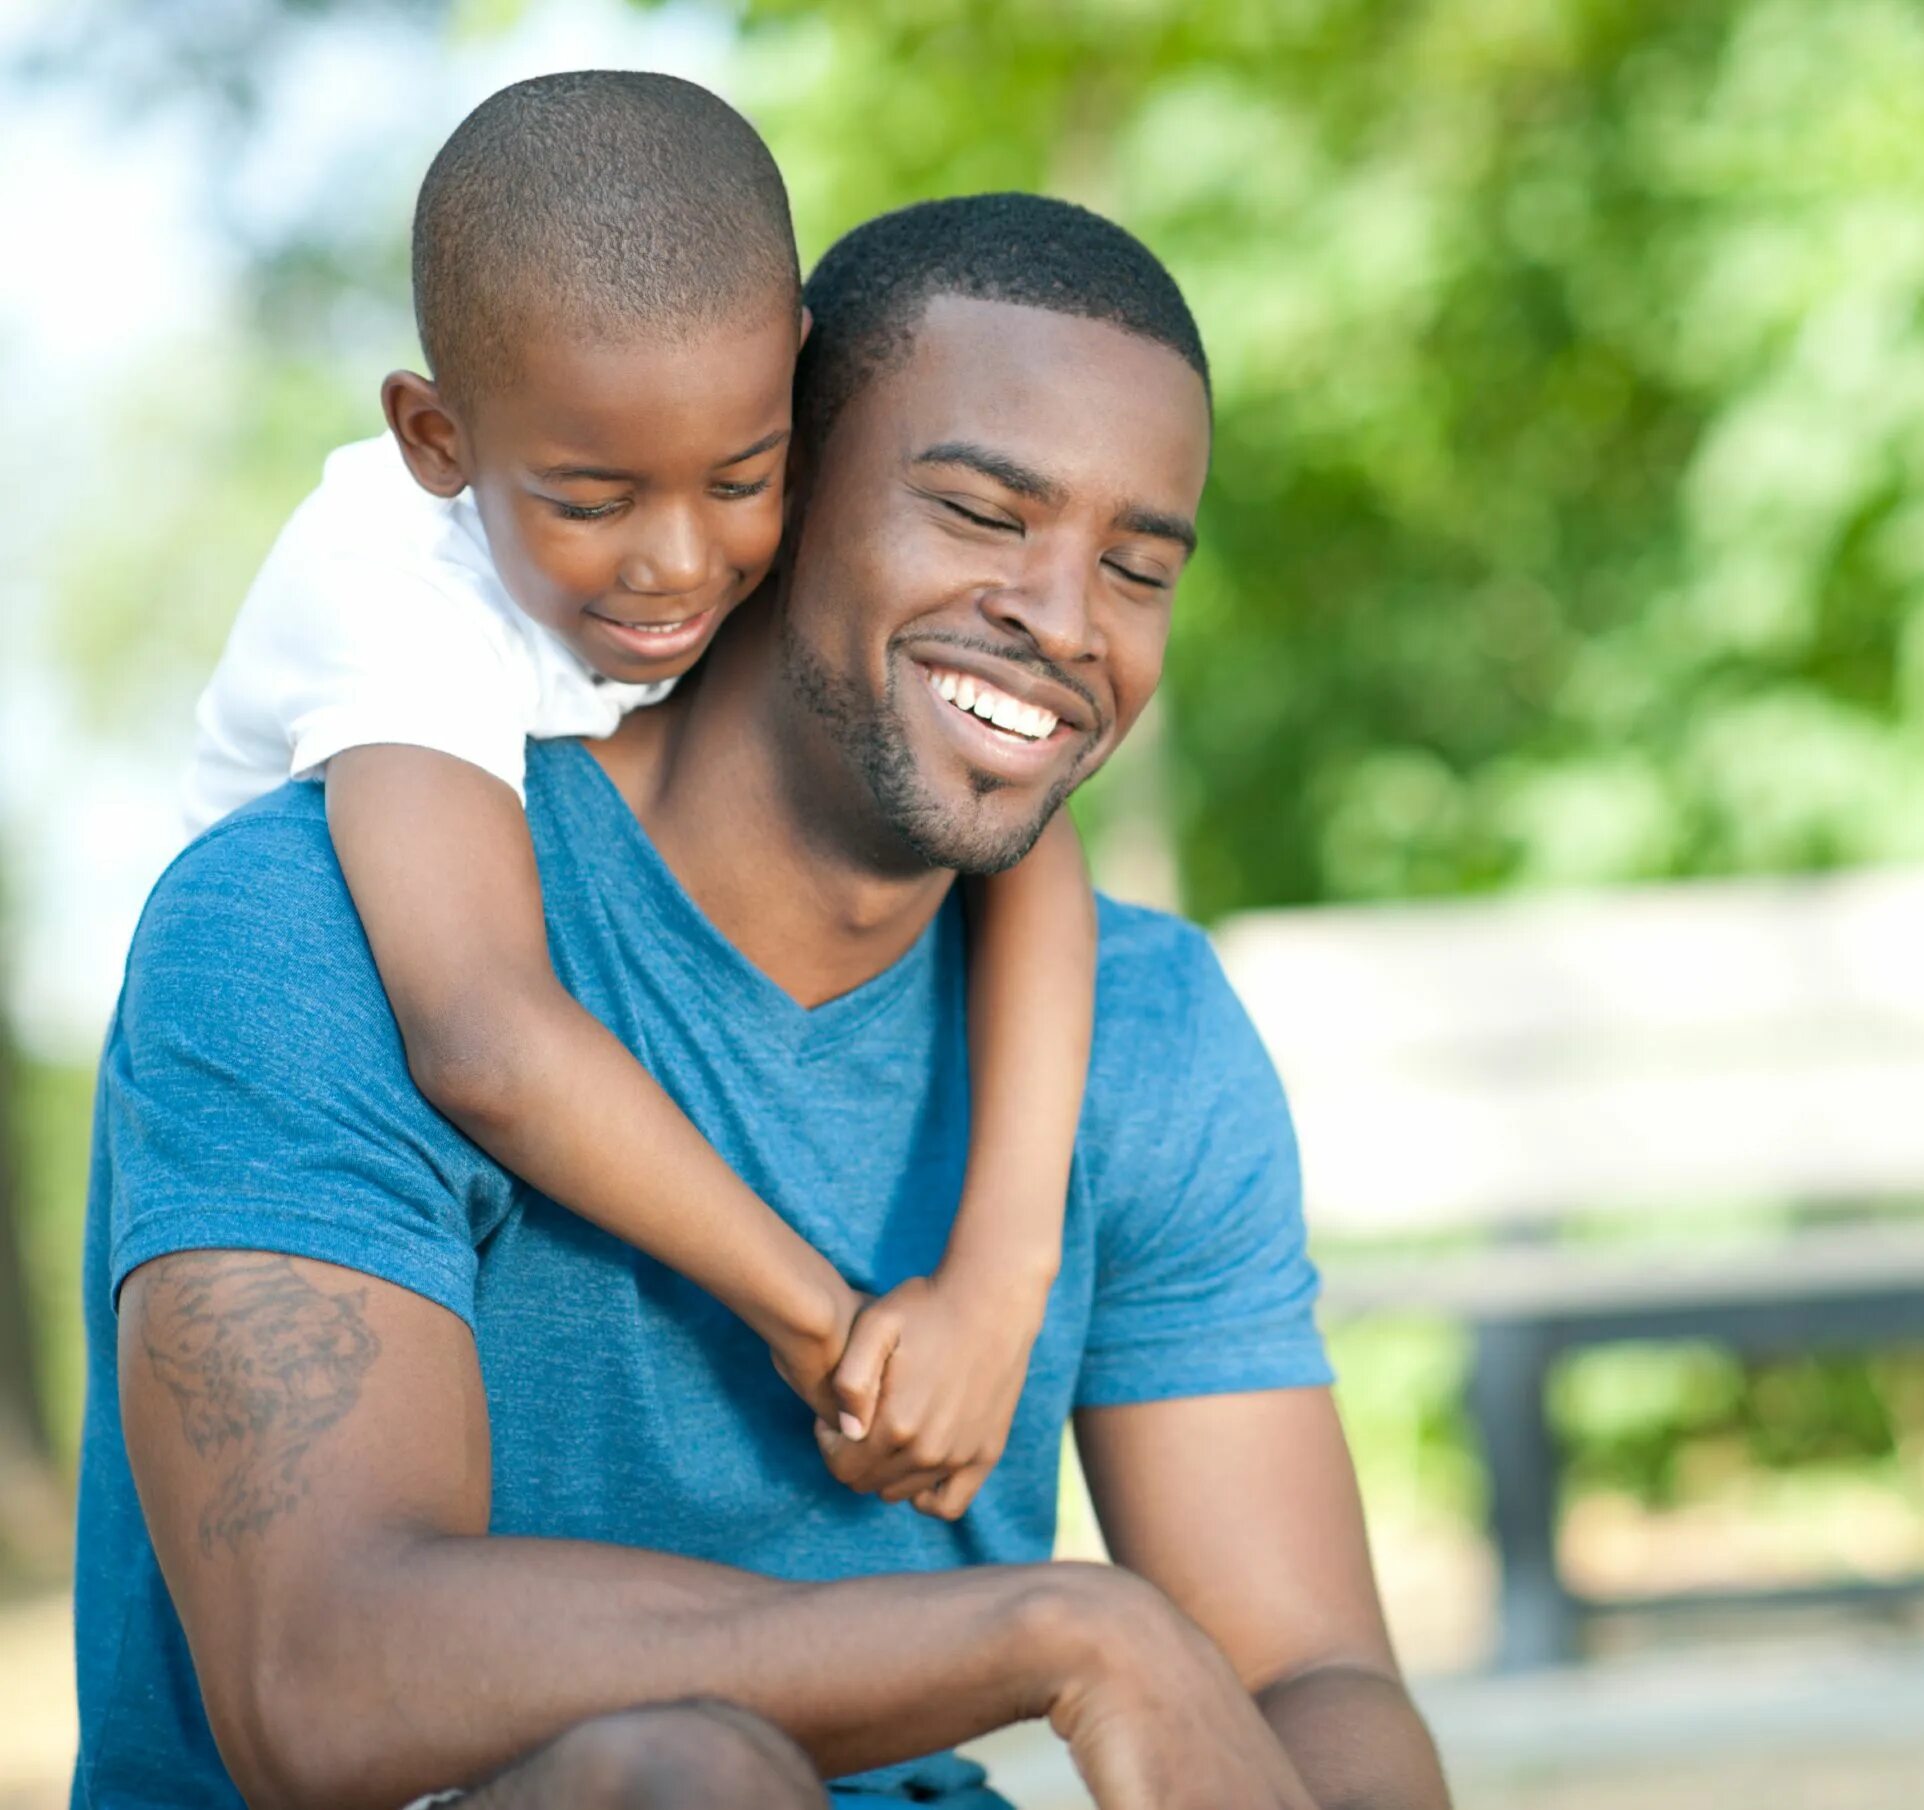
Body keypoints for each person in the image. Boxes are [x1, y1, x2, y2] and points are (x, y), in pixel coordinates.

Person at [77, 186, 1450, 1808]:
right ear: (779, 483)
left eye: (1138, 568)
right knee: (687, 1780)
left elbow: (1306, 1667)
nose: (1067, 621)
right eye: (983, 516)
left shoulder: (1140, 1027)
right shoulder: (307, 927)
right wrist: (1063, 1629)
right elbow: (322, 1674)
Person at [177, 71, 1092, 1514]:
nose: (675, 561)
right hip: (314, 1129)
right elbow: (483, 1035)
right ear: (437, 438)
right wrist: (823, 1320)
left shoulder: (730, 494)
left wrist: (999, 1274)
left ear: (787, 377)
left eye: (740, 478)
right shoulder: (395, 588)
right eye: (592, 502)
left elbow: (1019, 824)